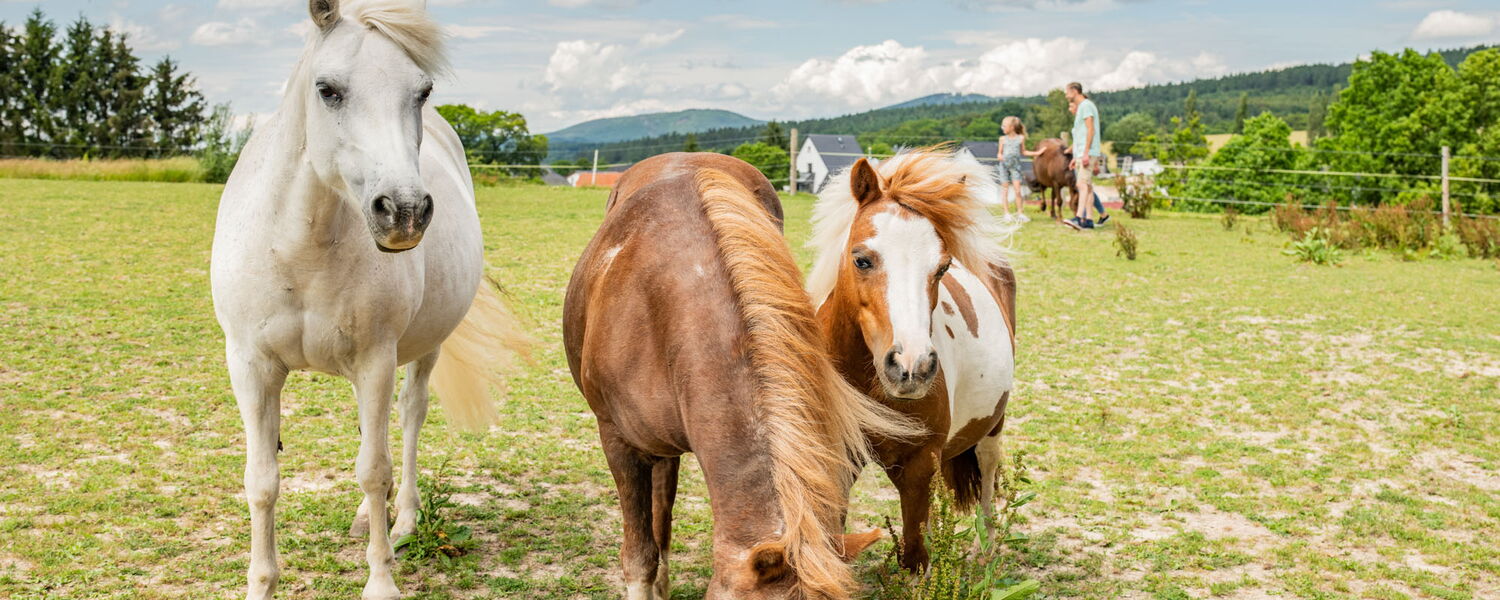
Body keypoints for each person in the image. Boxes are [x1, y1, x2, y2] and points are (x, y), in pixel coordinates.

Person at [1063, 82, 1105, 231]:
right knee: (1086, 185)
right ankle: (1088, 221)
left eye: (1067, 92)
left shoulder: (1086, 106)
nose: (1066, 95)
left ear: (1074, 91)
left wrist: (1086, 153)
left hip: (1088, 151)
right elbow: (1081, 134)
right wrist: (1077, 156)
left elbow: (1090, 130)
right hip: (1082, 152)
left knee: (1081, 185)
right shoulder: (1082, 107)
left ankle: (1079, 218)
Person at [996, 116, 1036, 223]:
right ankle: (1006, 214)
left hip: (1015, 167)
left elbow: (1024, 152)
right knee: (1005, 190)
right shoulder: (1002, 139)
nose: (1002, 128)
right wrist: (1000, 156)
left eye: (1004, 126)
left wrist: (1037, 153)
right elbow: (999, 153)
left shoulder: (1020, 138)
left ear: (1012, 127)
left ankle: (1020, 213)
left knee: (1018, 190)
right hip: (1004, 166)